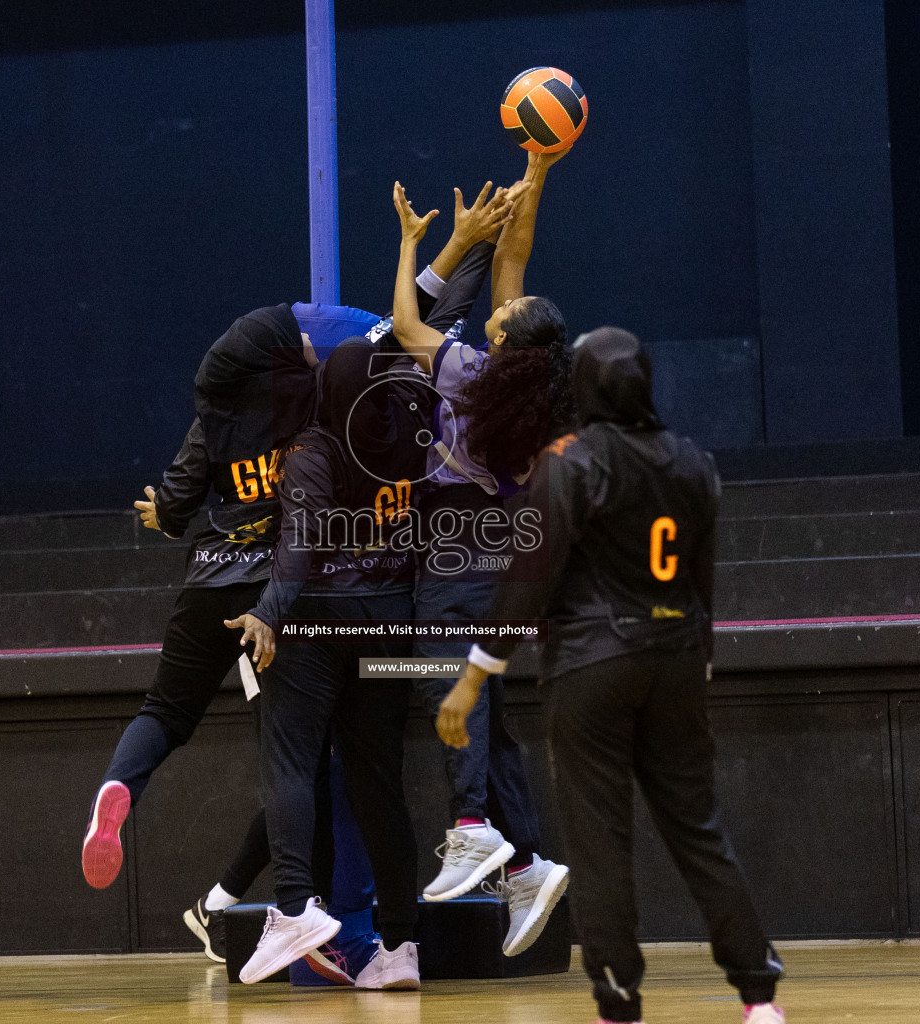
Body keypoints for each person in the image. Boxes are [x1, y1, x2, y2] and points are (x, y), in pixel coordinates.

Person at [79, 195, 514, 962]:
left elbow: (195, 509)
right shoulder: (377, 424)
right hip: (367, 613)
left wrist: (177, 526)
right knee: (358, 773)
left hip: (255, 594)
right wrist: (465, 243)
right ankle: (391, 943)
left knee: (264, 749)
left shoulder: (230, 423)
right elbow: (417, 323)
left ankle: (263, 897)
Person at [437, 328, 785, 1024]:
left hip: (590, 665)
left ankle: (618, 1001)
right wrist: (700, 669)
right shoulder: (694, 463)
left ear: (585, 387)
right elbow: (702, 585)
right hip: (679, 658)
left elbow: (528, 579)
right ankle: (759, 997)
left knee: (599, 842)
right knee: (698, 829)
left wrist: (474, 676)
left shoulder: (567, 462)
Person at [388, 150, 572, 956]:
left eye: (501, 312)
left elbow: (402, 326)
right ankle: (527, 863)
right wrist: (538, 166)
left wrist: (410, 249)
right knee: (486, 716)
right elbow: (517, 259)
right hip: (502, 549)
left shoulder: (470, 372)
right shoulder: (530, 382)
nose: (496, 309)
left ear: (505, 339)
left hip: (454, 543)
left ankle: (469, 827)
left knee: (440, 687)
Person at [226, 341, 428, 989]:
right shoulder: (408, 433)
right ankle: (399, 949)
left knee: (291, 764)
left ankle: (292, 908)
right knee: (382, 789)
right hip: (390, 624)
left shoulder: (314, 448)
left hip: (314, 626)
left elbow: (301, 543)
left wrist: (268, 609)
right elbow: (424, 331)